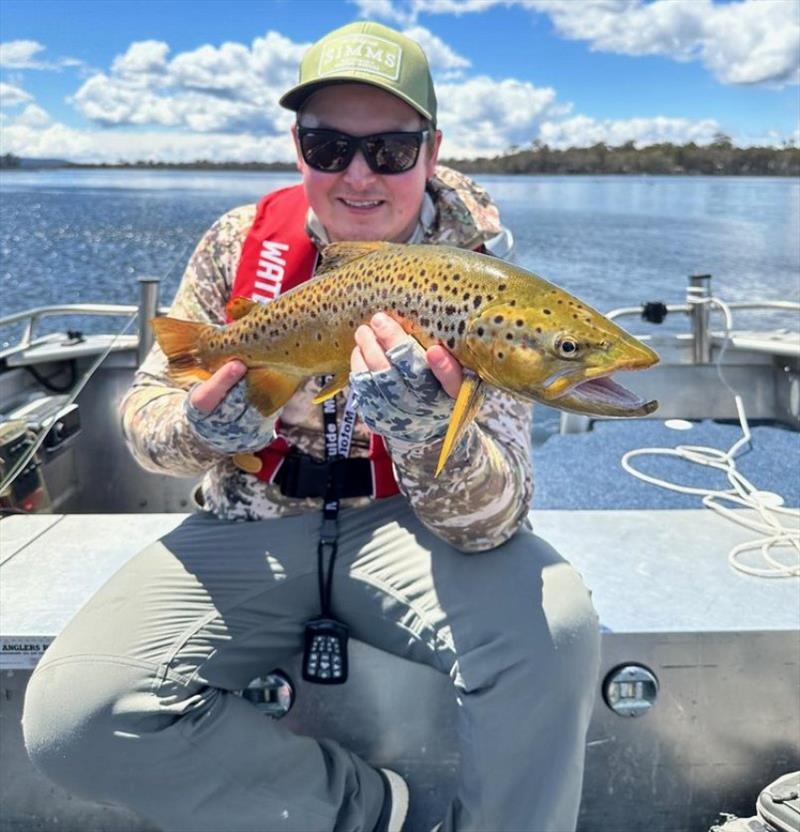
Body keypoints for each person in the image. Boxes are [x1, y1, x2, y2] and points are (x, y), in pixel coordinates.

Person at [22, 21, 600, 832]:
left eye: (391, 151)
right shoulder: (237, 243)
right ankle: (365, 811)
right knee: (76, 721)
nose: (359, 174)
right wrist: (206, 426)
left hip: (409, 524)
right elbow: (146, 424)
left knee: (557, 630)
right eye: (329, 146)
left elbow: (493, 521)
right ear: (297, 148)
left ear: (431, 151)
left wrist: (430, 432)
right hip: (248, 516)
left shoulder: (481, 276)